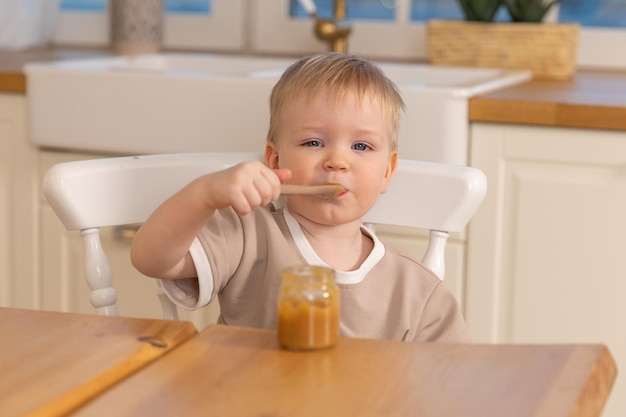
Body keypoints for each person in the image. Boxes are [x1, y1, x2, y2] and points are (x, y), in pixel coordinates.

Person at [130, 52, 470, 343]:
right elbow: (151, 259)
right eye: (313, 143)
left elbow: (456, 381)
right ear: (275, 161)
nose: (337, 161)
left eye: (361, 146)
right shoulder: (247, 235)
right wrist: (204, 193)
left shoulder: (417, 291)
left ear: (387, 172)